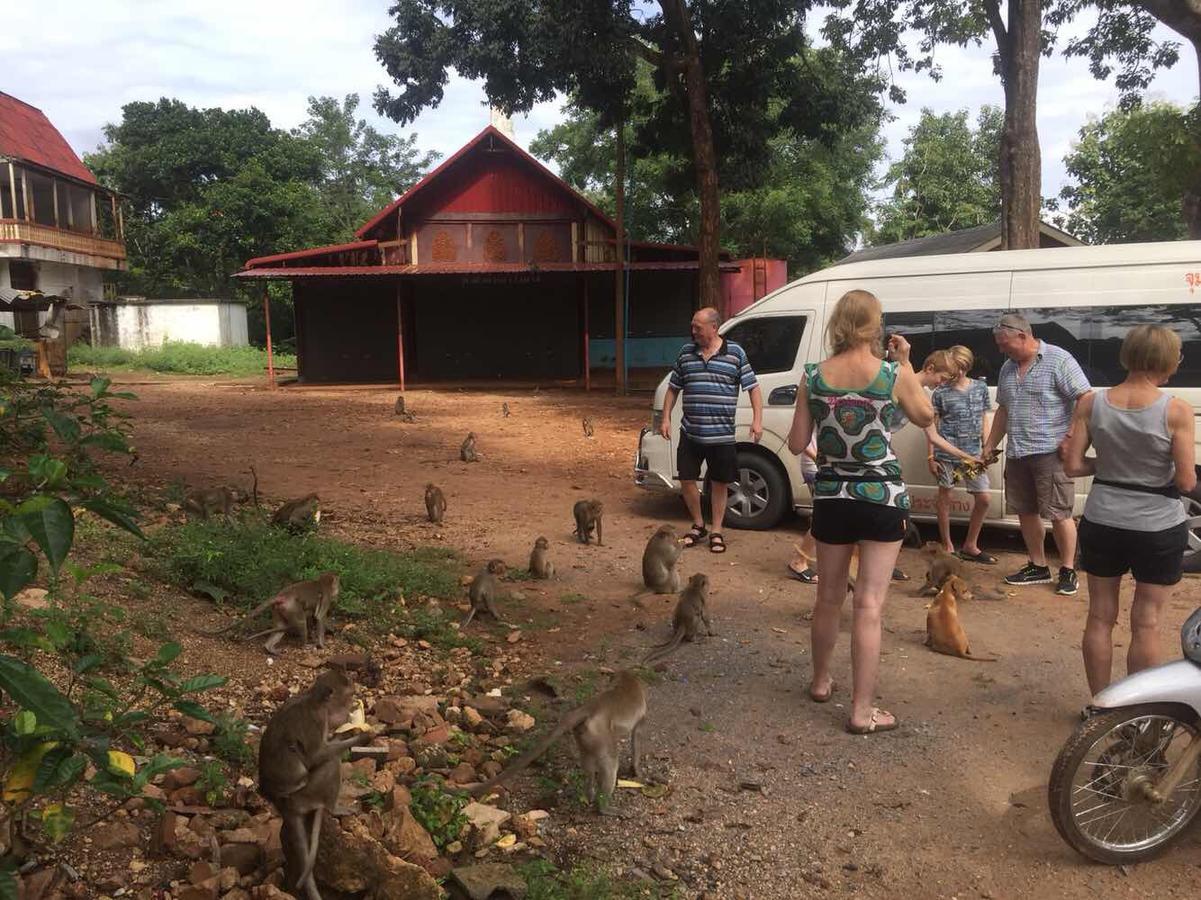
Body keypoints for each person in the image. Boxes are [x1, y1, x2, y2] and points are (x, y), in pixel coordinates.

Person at [787, 290, 934, 734]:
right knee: (869, 604)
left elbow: (796, 444)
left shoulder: (813, 377)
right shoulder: (891, 374)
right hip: (882, 499)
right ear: (876, 325)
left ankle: (819, 681)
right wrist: (907, 364)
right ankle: (861, 710)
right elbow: (926, 417)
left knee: (828, 598)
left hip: (832, 496)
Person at [1063, 325, 1196, 694]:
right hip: (1157, 525)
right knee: (1147, 622)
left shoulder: (1091, 403)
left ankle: (1099, 706)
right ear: (1169, 360)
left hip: (1103, 519)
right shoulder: (1177, 410)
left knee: (1100, 616)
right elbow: (1185, 481)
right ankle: (1136, 712)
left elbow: (1073, 466)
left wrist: (1107, 466)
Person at [982, 313, 1092, 596]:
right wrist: (990, 444)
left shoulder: (1058, 359)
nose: (1001, 349)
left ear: (1023, 335)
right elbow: (1003, 411)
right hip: (1018, 452)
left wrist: (1070, 437)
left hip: (1050, 451)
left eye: (1005, 343)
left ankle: (1068, 570)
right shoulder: (1007, 368)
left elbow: (1085, 398)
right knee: (1025, 510)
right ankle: (1038, 565)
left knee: (1059, 512)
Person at [660, 306, 763, 553]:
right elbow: (673, 387)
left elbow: (753, 387)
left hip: (721, 435)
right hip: (691, 431)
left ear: (714, 327)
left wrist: (757, 419)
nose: (693, 331)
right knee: (686, 479)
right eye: (692, 326)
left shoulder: (735, 353)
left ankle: (716, 530)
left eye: (698, 326)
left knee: (719, 482)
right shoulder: (686, 353)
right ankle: (698, 524)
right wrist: (665, 418)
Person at [926, 345, 995, 563]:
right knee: (945, 497)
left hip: (973, 454)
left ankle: (970, 544)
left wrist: (987, 446)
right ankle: (947, 544)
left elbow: (985, 418)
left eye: (965, 368)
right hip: (946, 455)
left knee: (984, 498)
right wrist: (931, 456)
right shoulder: (940, 392)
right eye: (957, 368)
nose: (961, 373)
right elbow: (932, 426)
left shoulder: (980, 388)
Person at [787, 436, 821, 583]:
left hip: (826, 467)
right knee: (824, 517)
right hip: (817, 469)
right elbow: (795, 439)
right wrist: (818, 458)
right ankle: (798, 561)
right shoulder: (812, 411)